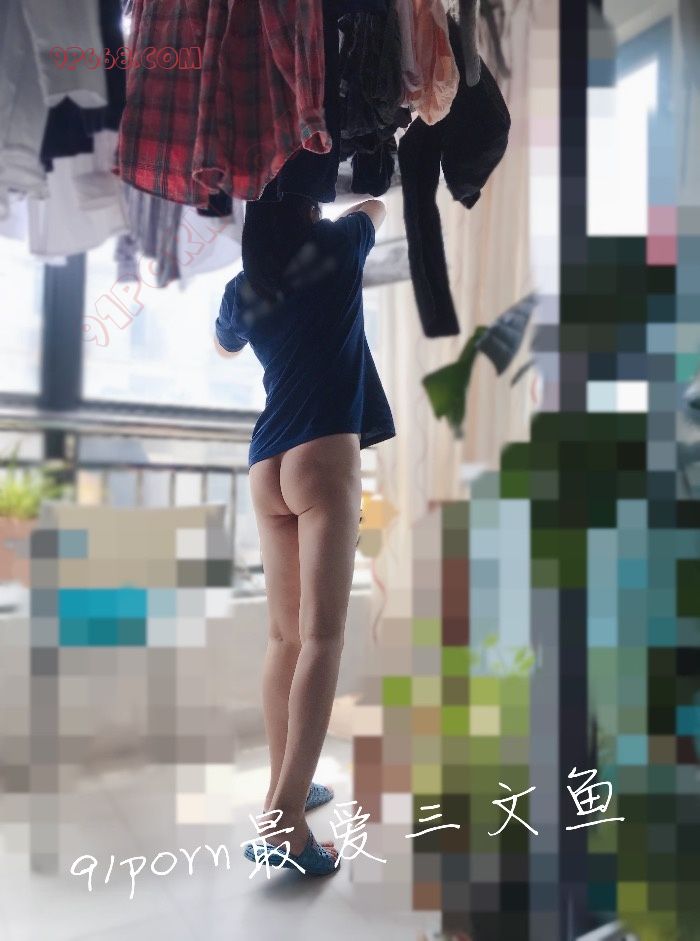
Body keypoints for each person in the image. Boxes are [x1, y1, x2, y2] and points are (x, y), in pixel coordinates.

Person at [213, 192, 395, 875]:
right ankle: (286, 820)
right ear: (309, 207)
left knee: (284, 638)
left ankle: (285, 784)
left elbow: (223, 344)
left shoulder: (244, 286)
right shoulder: (337, 247)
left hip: (267, 461)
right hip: (323, 455)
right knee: (322, 638)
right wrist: (326, 219)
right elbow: (377, 206)